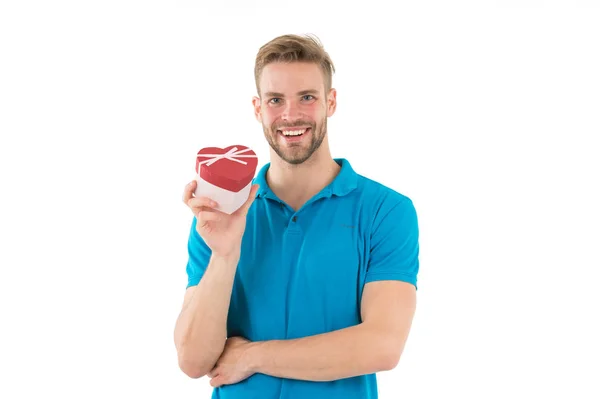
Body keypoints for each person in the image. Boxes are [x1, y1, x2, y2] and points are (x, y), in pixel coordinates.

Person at [174, 33, 420, 399]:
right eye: (275, 100)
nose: (290, 115)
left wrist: (253, 357)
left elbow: (382, 345)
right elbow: (194, 360)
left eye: (307, 97)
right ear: (258, 108)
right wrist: (225, 255)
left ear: (330, 102)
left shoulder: (386, 211)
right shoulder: (220, 214)